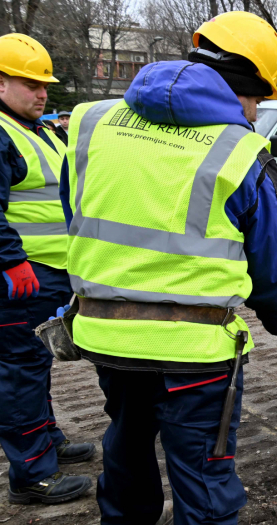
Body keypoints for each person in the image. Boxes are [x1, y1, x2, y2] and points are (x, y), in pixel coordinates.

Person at [60, 13, 277, 523]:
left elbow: (76, 211)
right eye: (259, 102)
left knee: (125, 456)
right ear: (247, 87)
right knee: (202, 478)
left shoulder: (90, 123)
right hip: (195, 354)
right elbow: (271, 261)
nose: (256, 115)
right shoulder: (240, 152)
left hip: (107, 338)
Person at [0, 32, 95, 506]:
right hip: (21, 279)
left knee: (36, 366)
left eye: (44, 84)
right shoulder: (1, 133)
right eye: (30, 84)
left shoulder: (35, 131)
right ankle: (31, 476)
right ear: (0, 84)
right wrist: (11, 260)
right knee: (18, 372)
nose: (42, 93)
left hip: (49, 275)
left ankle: (46, 443)